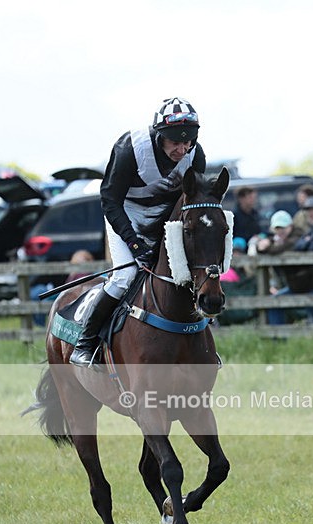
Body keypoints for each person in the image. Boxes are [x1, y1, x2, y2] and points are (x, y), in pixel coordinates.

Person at [70, 97, 206, 367]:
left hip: (165, 219)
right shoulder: (130, 148)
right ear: (159, 136)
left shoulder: (195, 155)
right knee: (125, 277)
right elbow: (110, 200)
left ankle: (201, 347)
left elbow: (192, 202)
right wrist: (134, 244)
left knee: (187, 275)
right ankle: (86, 343)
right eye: (175, 142)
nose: (182, 149)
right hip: (126, 216)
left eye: (188, 142)